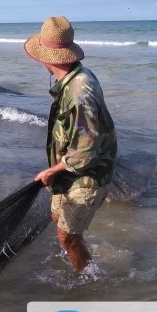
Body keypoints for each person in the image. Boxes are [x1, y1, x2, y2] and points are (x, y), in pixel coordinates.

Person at [24, 16, 118, 273]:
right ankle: (76, 254)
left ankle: (87, 282)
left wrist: (52, 171)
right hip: (70, 171)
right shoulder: (74, 76)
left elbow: (86, 153)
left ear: (47, 57)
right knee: (58, 220)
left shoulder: (79, 93)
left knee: (67, 237)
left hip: (87, 175)